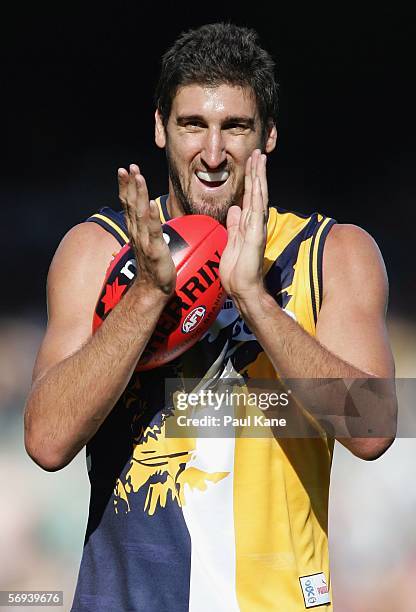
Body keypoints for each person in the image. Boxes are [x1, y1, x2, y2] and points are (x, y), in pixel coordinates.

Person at [24, 22, 397, 612]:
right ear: (159, 128)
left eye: (237, 127)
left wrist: (253, 297)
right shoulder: (99, 251)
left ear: (268, 135)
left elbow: (374, 429)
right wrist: (147, 295)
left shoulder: (333, 253)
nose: (214, 154)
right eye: (193, 124)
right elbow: (45, 441)